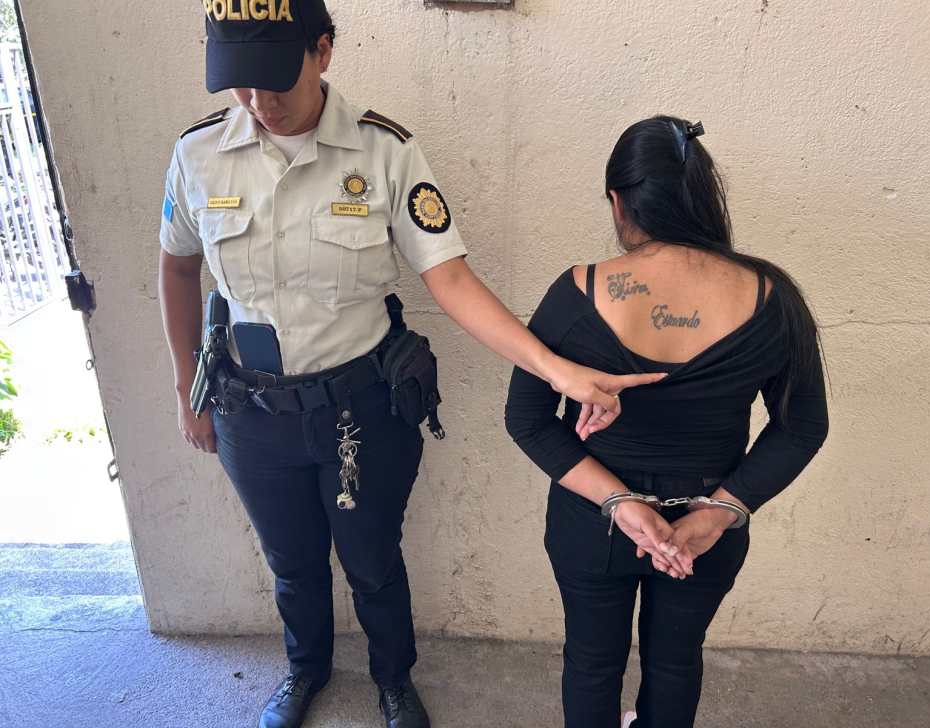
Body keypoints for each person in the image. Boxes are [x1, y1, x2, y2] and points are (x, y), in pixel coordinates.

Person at [158, 3, 661, 727]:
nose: (259, 101)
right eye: (240, 81)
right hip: (253, 414)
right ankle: (305, 671)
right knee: (290, 562)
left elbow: (450, 279)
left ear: (322, 51)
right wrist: (188, 388)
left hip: (359, 410)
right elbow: (178, 269)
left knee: (372, 561)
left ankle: (394, 679)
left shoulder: (383, 152)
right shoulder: (199, 153)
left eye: (275, 78)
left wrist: (556, 369)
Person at [504, 117, 829, 728]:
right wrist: (721, 511)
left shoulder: (578, 292)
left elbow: (527, 420)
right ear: (705, 197)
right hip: (705, 527)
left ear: (618, 201)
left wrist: (620, 504)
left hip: (594, 520)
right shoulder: (773, 297)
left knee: (591, 663)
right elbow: (801, 428)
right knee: (677, 663)